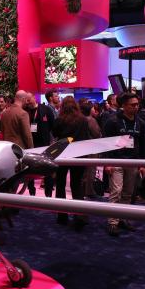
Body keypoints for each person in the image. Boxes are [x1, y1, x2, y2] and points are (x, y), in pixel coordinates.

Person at [102, 92, 145, 237]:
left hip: (133, 161)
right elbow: (106, 143)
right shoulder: (113, 121)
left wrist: (143, 164)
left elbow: (143, 144)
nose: (136, 107)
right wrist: (107, 163)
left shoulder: (141, 123)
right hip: (116, 161)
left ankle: (123, 218)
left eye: (137, 104)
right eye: (132, 105)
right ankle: (113, 222)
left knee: (128, 193)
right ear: (123, 105)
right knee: (116, 191)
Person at [51, 96, 92, 228]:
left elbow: (55, 134)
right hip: (79, 154)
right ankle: (79, 216)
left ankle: (62, 216)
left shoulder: (59, 120)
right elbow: (86, 137)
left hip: (62, 154)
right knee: (76, 184)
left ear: (63, 106)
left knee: (60, 184)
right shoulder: (83, 120)